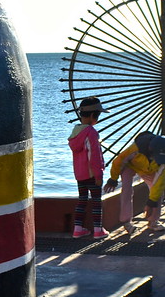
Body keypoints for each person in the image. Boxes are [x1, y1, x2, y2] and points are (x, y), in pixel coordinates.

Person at [104, 131, 165, 234]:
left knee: (158, 192)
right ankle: (126, 222)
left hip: (148, 170)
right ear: (150, 150)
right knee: (126, 191)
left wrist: (151, 203)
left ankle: (153, 221)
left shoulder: (163, 159)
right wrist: (113, 179)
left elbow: (159, 183)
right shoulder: (135, 148)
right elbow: (118, 161)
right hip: (130, 166)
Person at [68, 96, 109, 239]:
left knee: (82, 200)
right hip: (92, 174)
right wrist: (98, 175)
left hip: (79, 174)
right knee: (97, 201)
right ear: (93, 115)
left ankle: (77, 229)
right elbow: (95, 156)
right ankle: (98, 230)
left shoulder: (75, 132)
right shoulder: (91, 132)